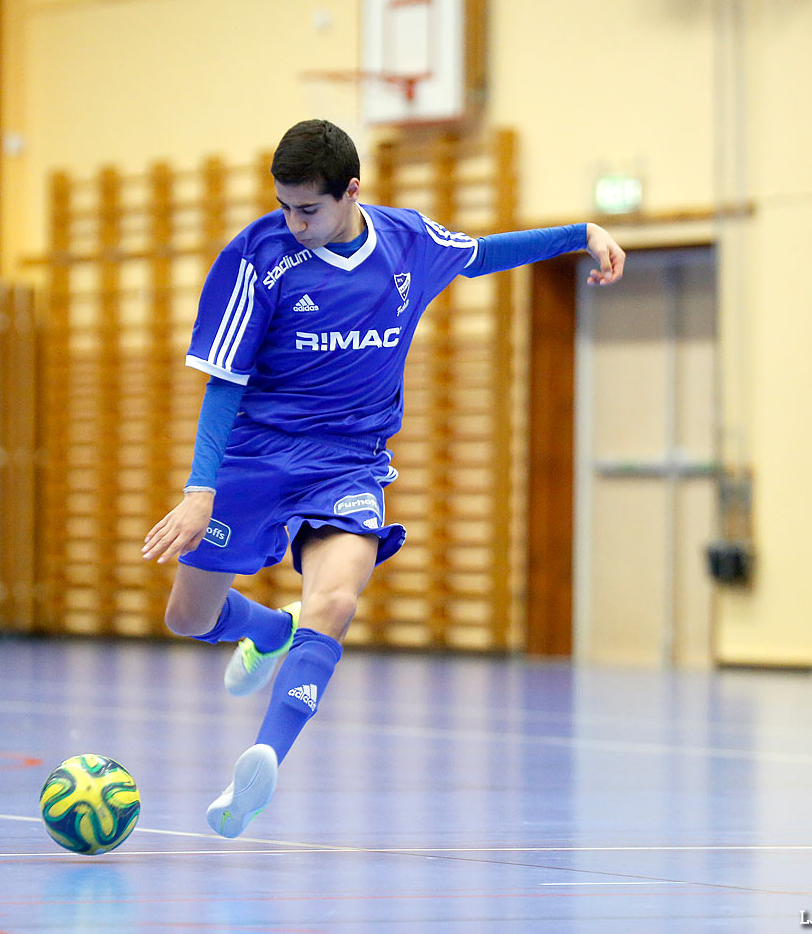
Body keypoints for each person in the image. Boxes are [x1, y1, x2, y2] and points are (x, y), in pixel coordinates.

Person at [141, 119, 625, 838]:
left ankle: (263, 760)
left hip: (348, 461)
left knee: (333, 602)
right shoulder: (257, 256)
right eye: (283, 206)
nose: (293, 222)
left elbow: (483, 253)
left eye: (308, 208)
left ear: (351, 193)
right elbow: (223, 381)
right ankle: (271, 630)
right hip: (255, 458)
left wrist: (580, 231)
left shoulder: (408, 243)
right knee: (190, 617)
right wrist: (199, 489)